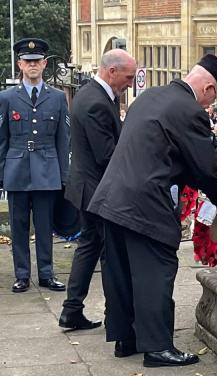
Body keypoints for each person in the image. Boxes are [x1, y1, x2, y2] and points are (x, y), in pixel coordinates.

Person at [87, 54, 217, 367]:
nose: (209, 107)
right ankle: (157, 347)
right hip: (145, 203)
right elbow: (206, 170)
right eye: (213, 100)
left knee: (120, 272)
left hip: (111, 198)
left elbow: (163, 151)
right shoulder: (188, 110)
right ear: (209, 88)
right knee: (156, 271)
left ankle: (125, 338)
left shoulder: (151, 96)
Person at [58, 49, 137, 330]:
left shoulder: (96, 95)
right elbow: (107, 155)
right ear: (111, 71)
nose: (130, 83)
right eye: (128, 77)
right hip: (96, 191)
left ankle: (71, 310)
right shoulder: (96, 102)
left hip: (87, 187)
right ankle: (115, 315)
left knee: (88, 247)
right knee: (110, 253)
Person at [0, 38, 69, 293]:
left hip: (47, 170)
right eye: (27, 61)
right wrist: (1, 175)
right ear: (20, 64)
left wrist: (64, 175)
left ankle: (47, 274)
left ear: (44, 64)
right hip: (16, 170)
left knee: (44, 226)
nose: (32, 65)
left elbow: (64, 139)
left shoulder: (58, 97)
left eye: (37, 61)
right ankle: (21, 275)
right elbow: (2, 139)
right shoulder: (7, 98)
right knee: (18, 226)